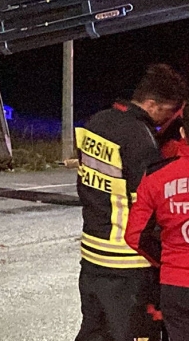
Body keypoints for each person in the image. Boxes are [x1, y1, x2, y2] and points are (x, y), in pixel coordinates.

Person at [74, 64, 188, 341]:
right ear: (151, 103)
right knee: (136, 333)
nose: (167, 121)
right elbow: (151, 204)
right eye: (167, 112)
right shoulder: (139, 137)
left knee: (95, 332)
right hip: (127, 263)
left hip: (92, 255)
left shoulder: (96, 122)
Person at [126, 103, 189, 341]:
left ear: (182, 132)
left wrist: (167, 261)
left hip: (175, 286)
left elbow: (135, 236)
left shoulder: (156, 175)